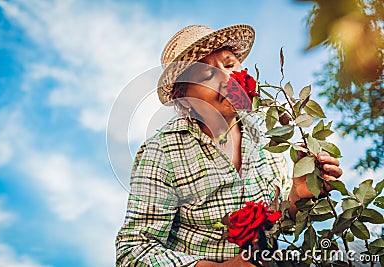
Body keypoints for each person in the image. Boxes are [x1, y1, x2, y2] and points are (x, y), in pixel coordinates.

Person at [115, 24, 342, 267]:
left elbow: (280, 221)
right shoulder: (162, 150)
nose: (226, 78)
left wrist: (298, 194)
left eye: (230, 64)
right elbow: (133, 251)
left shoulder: (267, 133)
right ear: (185, 99)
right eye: (206, 75)